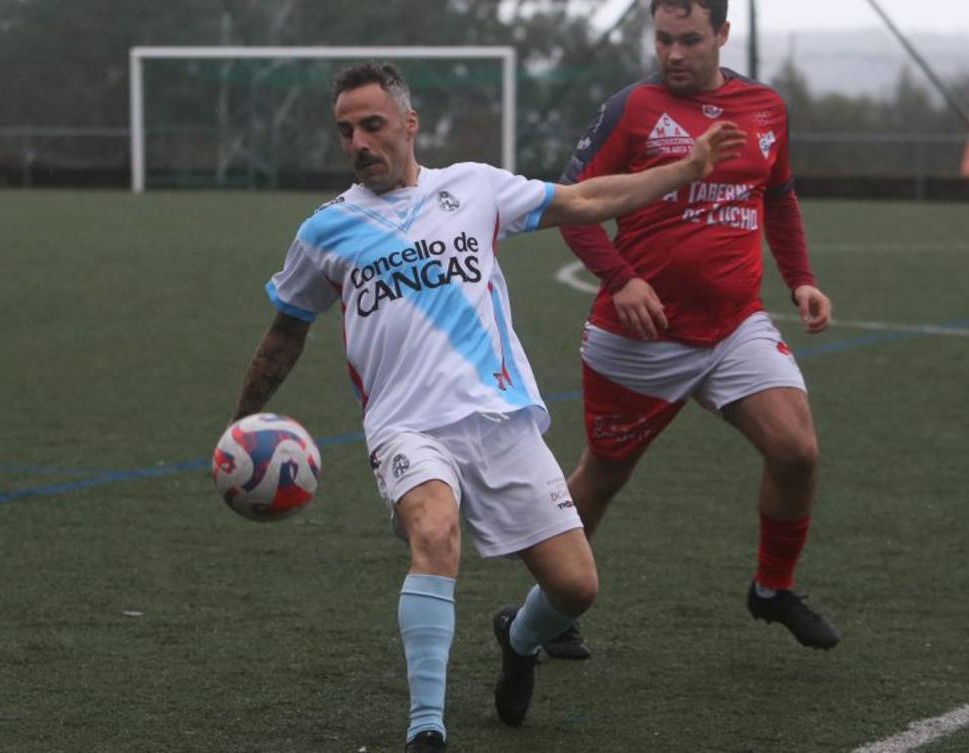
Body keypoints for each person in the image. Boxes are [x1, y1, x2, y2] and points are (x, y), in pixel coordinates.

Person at [228, 62, 742, 753]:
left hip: (501, 419)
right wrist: (242, 418)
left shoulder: (474, 187)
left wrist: (686, 169)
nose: (359, 142)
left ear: (409, 124)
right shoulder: (326, 230)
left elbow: (587, 198)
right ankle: (426, 727)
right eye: (346, 131)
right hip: (406, 427)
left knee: (576, 587)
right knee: (436, 533)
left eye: (373, 125)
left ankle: (519, 639)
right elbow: (286, 329)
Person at [542, 0, 840, 662]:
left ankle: (772, 587)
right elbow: (571, 206)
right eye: (663, 40)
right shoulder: (632, 109)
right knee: (604, 475)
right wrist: (622, 279)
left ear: (722, 35)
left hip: (735, 326)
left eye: (689, 40)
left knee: (796, 450)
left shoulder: (765, 108)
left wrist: (801, 280)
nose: (674, 54)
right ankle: (552, 608)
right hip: (642, 338)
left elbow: (779, 197)